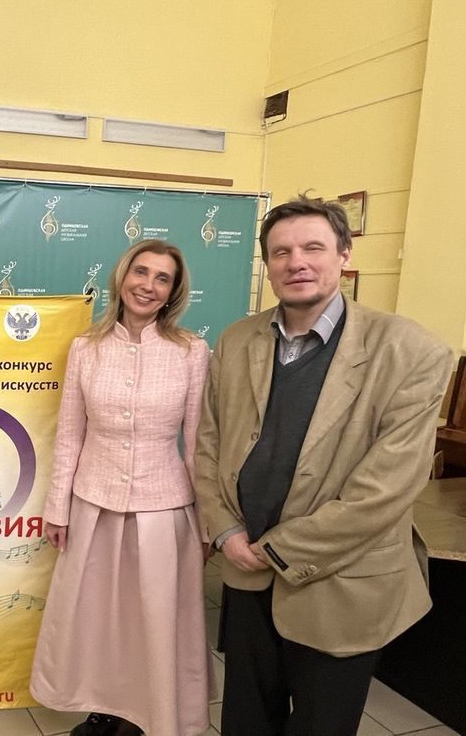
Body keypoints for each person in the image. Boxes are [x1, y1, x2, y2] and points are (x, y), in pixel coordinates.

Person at [195, 196, 454, 736]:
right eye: (281, 252)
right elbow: (208, 445)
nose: (297, 262)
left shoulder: (410, 350)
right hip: (245, 572)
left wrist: (279, 550)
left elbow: (386, 489)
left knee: (322, 724)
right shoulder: (236, 340)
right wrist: (225, 531)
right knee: (245, 720)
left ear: (344, 253)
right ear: (267, 264)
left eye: (313, 247)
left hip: (340, 581)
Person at [30, 239, 211, 736]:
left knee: (151, 619)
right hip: (94, 504)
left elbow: (198, 443)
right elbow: (70, 434)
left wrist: (208, 524)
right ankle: (103, 708)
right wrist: (58, 508)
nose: (148, 286)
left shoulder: (191, 351)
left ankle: (150, 714)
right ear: (122, 277)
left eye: (162, 278)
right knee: (96, 617)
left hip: (163, 509)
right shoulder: (85, 348)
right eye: (141, 272)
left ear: (173, 292)